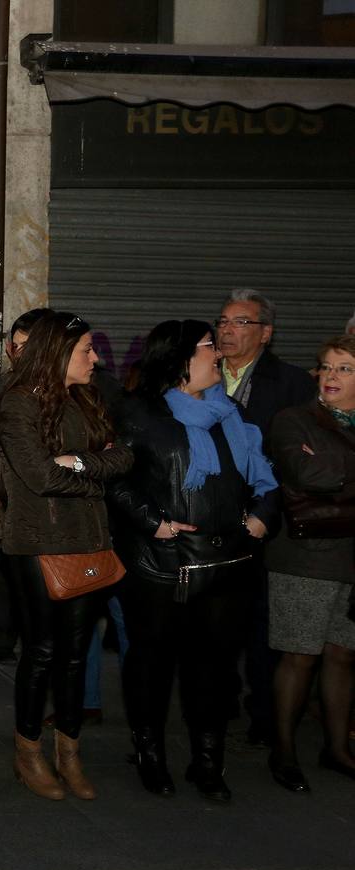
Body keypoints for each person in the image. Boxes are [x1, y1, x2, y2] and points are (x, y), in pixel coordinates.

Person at [109, 320, 277, 802]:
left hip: (228, 562)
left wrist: (263, 516)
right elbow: (114, 479)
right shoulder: (139, 414)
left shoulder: (231, 415)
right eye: (208, 346)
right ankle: (150, 755)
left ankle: (208, 762)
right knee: (153, 664)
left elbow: (263, 477)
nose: (218, 353)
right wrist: (153, 521)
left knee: (214, 667)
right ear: (179, 359)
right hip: (162, 564)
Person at [0, 311, 133, 802]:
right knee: (42, 652)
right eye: (84, 352)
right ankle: (28, 753)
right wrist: (96, 476)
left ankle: (69, 752)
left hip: (90, 541)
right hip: (38, 544)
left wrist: (79, 462)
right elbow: (38, 477)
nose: (95, 359)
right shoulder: (18, 405)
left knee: (76, 655)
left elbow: (125, 457)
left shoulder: (88, 399)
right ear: (57, 355)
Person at [216, 288, 313, 746]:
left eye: (241, 322)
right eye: (223, 321)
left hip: (266, 520)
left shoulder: (292, 384)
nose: (228, 330)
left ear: (266, 333)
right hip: (213, 519)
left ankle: (265, 712)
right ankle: (220, 699)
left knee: (262, 620)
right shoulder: (201, 374)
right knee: (216, 618)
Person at [264, 334, 355, 792]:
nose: (330, 376)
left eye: (344, 368)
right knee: (299, 656)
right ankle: (282, 751)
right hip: (305, 557)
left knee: (343, 655)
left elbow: (329, 474)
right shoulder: (293, 420)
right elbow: (306, 475)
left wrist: (336, 471)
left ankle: (337, 749)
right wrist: (329, 472)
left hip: (350, 559)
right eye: (325, 366)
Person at [0, 308, 54, 664]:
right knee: (3, 570)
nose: (20, 353)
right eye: (15, 345)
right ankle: (1, 634)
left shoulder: (61, 392)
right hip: (4, 497)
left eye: (28, 346)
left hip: (46, 500)